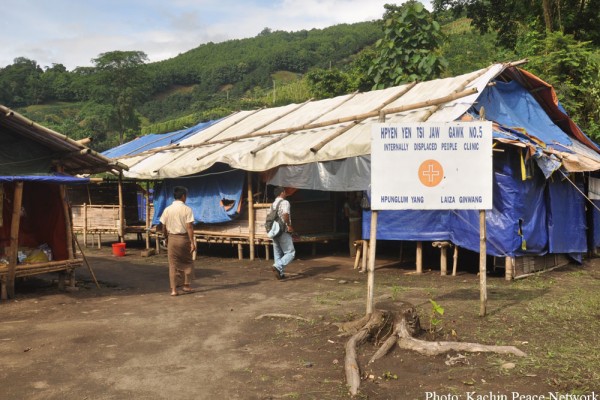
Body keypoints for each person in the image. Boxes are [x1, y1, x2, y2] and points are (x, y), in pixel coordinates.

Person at [159, 186, 197, 296]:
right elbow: (189, 226)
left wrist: (165, 237)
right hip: (184, 238)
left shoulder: (167, 209)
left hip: (171, 239)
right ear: (183, 196)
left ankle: (174, 290)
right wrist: (192, 242)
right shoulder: (187, 209)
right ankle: (186, 285)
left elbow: (163, 226)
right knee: (188, 262)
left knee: (173, 265)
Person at [271, 186, 295, 280]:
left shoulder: (273, 204)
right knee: (291, 252)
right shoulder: (285, 202)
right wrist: (289, 225)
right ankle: (278, 265)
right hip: (282, 230)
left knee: (278, 253)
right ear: (282, 193)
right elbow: (285, 214)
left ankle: (280, 274)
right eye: (285, 192)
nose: (285, 193)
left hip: (274, 230)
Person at [343, 192, 362, 257]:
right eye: (351, 195)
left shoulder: (357, 203)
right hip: (352, 221)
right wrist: (354, 214)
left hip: (359, 220)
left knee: (359, 237)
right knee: (353, 238)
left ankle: (359, 252)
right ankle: (353, 253)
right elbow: (347, 214)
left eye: (353, 195)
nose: (352, 196)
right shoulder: (347, 204)